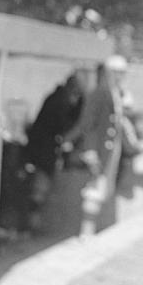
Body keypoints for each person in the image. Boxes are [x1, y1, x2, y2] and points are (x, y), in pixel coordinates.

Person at [63, 55, 128, 238]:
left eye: (122, 73)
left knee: (103, 187)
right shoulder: (99, 93)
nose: (119, 76)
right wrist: (90, 150)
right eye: (116, 72)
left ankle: (93, 228)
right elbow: (88, 124)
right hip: (100, 149)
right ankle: (87, 231)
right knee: (95, 187)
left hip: (111, 149)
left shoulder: (116, 92)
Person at [24, 73, 84, 232]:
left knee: (40, 186)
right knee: (39, 187)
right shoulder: (59, 101)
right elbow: (64, 124)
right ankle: (32, 224)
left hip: (43, 148)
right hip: (42, 150)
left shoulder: (59, 98)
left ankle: (33, 223)